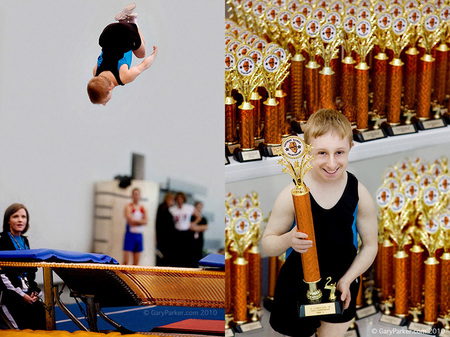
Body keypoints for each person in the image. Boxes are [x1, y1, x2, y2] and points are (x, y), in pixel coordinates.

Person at [261, 109, 378, 337]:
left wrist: (348, 279)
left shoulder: (359, 193)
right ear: (306, 152)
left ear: (350, 149)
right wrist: (288, 239)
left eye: (339, 152)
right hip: (295, 286)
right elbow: (268, 244)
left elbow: (371, 245)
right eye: (322, 153)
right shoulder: (291, 194)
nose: (332, 163)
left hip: (341, 285)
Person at [87, 3, 158, 105]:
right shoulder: (95, 73)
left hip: (126, 34)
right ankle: (122, 20)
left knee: (141, 53)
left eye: (105, 101)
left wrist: (154, 55)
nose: (104, 104)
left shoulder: (124, 77)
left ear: (110, 88)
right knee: (120, 45)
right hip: (107, 34)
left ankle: (133, 21)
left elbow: (144, 65)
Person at [0, 203, 46, 330]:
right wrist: (21, 294)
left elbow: (30, 273)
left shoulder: (25, 241)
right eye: (16, 216)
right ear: (8, 220)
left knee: (41, 312)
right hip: (11, 296)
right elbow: (3, 274)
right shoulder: (2, 239)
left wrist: (34, 293)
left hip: (26, 293)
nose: (20, 220)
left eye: (23, 217)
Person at [169, 192, 206, 267]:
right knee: (177, 252)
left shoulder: (188, 207)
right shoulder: (172, 209)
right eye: (178, 198)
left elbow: (199, 216)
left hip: (186, 232)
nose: (180, 199)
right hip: (176, 232)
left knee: (187, 252)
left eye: (181, 198)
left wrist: (192, 223)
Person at [123, 188, 148, 265]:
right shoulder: (128, 206)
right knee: (126, 261)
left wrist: (136, 221)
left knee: (136, 263)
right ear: (132, 195)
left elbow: (146, 221)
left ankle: (133, 276)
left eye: (137, 194)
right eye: (134, 194)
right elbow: (130, 221)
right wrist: (141, 222)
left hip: (139, 235)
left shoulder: (143, 208)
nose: (136, 196)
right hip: (130, 235)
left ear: (140, 196)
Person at [155, 192, 176, 266]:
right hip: (163, 236)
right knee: (163, 256)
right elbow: (158, 223)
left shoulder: (170, 209)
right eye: (170, 199)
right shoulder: (162, 208)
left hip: (169, 237)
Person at [190, 201, 208, 265]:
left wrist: (195, 227)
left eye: (200, 207)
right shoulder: (191, 217)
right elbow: (190, 227)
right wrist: (198, 226)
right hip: (191, 241)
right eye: (198, 206)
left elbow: (205, 227)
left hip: (199, 240)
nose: (199, 208)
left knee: (198, 255)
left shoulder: (204, 219)